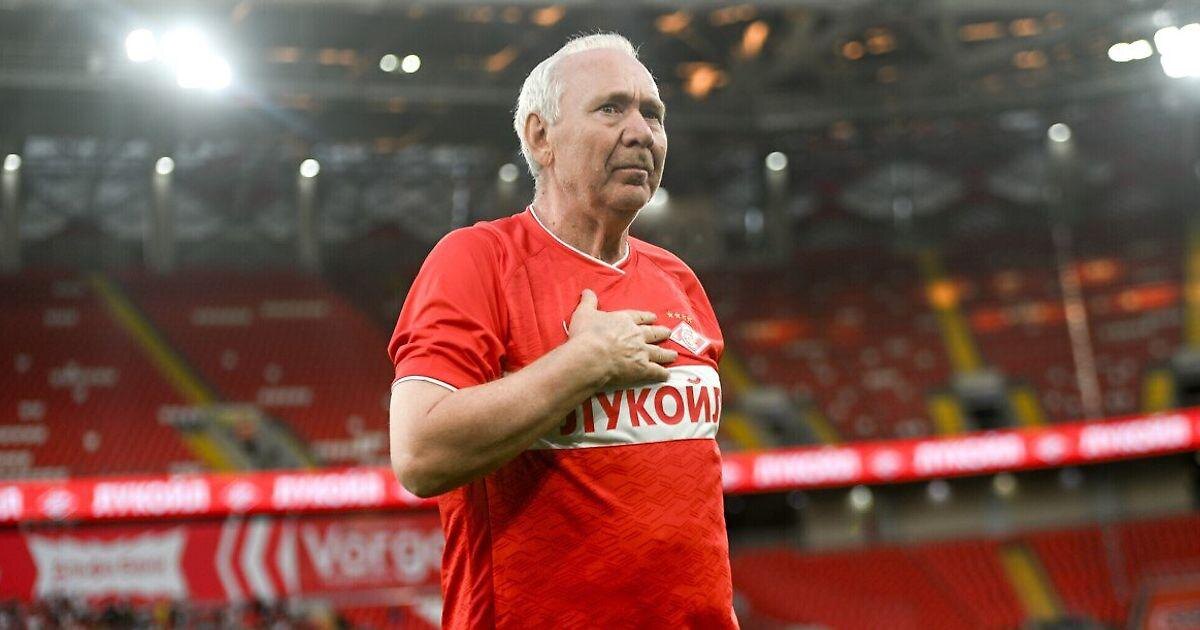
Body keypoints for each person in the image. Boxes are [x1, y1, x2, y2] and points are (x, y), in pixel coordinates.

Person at [388, 32, 736, 629]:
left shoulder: (678, 279)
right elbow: (420, 453)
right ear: (540, 137)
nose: (641, 132)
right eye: (611, 108)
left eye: (652, 114)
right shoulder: (479, 261)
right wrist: (584, 364)